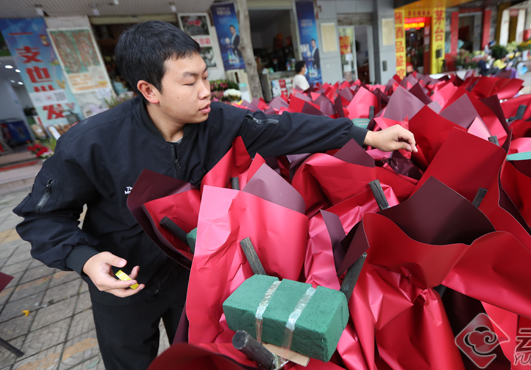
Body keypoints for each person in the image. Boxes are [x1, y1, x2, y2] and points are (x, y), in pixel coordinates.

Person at [13, 20, 417, 370]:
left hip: (193, 279)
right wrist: (85, 259)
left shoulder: (220, 120)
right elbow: (43, 217)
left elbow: (287, 129)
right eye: (190, 82)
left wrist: (366, 134)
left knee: (192, 357)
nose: (206, 91)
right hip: (123, 285)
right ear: (149, 90)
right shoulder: (91, 143)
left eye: (205, 76)